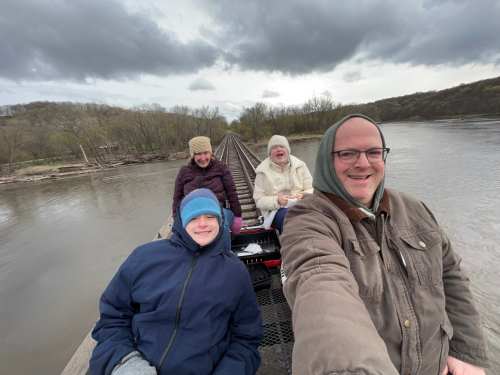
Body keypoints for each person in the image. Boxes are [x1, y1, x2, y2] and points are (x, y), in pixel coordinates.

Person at [280, 114, 489, 375]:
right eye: (347, 154)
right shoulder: (308, 221)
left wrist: (466, 351)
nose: (363, 163)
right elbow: (320, 282)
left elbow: (452, 276)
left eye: (374, 152)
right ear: (327, 160)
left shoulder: (415, 209)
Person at [89, 188, 262, 375]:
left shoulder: (235, 271)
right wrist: (125, 362)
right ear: (181, 222)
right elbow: (112, 318)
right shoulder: (145, 257)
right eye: (194, 218)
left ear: (220, 220)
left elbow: (247, 337)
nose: (202, 224)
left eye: (210, 217)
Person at [173, 136, 242, 234]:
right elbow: (177, 199)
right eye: (198, 154)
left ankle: (224, 247)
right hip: (193, 214)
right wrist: (177, 220)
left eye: (205, 153)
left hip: (218, 211)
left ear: (211, 153)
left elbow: (232, 193)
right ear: (192, 155)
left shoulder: (221, 167)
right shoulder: (184, 172)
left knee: (222, 229)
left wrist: (237, 216)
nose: (203, 158)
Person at [253, 135, 313, 233]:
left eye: (282, 146)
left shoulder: (300, 166)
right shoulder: (262, 172)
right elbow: (259, 200)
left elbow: (312, 188)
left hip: (302, 205)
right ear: (269, 153)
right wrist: (277, 200)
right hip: (275, 211)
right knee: (291, 219)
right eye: (274, 147)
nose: (278, 149)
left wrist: (303, 195)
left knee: (319, 218)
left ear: (288, 150)